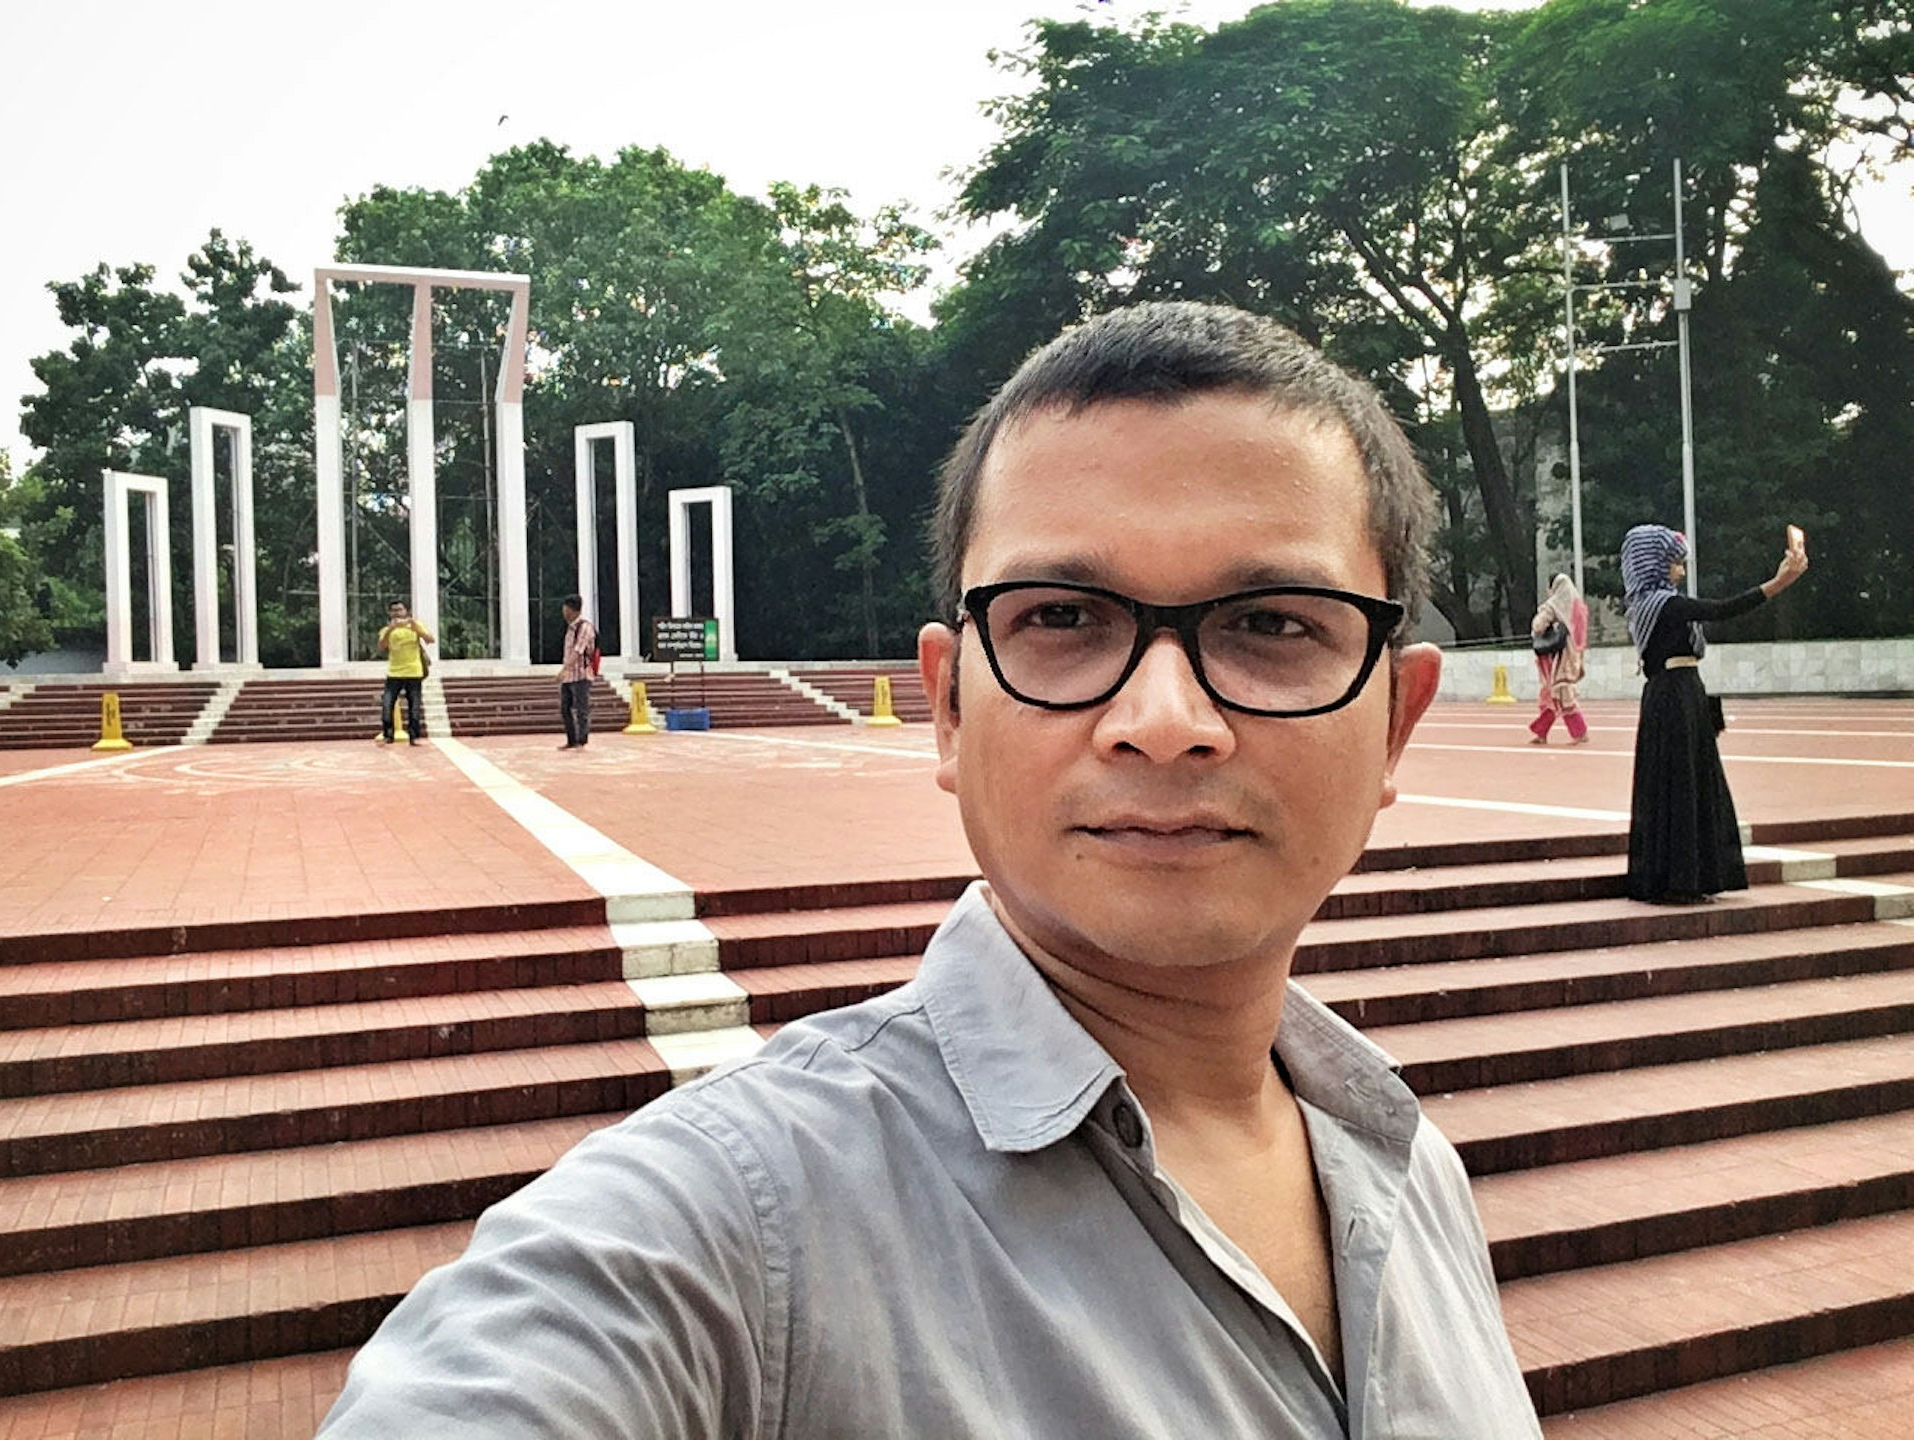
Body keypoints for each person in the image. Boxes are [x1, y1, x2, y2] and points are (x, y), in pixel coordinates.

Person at [316, 303, 1541, 1438]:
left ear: (1396, 722)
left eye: (1274, 623)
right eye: (1063, 618)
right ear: (950, 708)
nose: (1165, 721)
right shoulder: (734, 1228)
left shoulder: (1402, 1161)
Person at [1622, 523, 1808, 903]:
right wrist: (1776, 584)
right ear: (1653, 564)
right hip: (1674, 694)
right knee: (1682, 783)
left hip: (1682, 691)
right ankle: (1680, 878)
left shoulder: (1654, 605)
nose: (1681, 571)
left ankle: (1691, 875)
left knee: (1691, 782)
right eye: (1674, 563)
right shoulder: (1662, 605)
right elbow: (1721, 610)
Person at [1528, 572, 1590, 745]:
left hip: (1558, 657)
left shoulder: (1554, 604)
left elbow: (1538, 626)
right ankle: (1542, 732)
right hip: (1575, 655)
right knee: (1556, 694)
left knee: (1558, 693)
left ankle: (1579, 732)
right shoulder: (1579, 606)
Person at [374, 600, 432, 747]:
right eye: (393, 610)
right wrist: (390, 630)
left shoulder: (415, 625)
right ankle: (388, 734)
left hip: (414, 671)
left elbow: (430, 639)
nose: (397, 613)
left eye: (400, 610)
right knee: (387, 704)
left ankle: (414, 736)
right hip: (394, 673)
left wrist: (416, 628)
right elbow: (381, 647)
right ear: (389, 613)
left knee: (414, 706)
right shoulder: (386, 629)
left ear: (406, 611)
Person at [558, 593, 598, 750]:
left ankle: (582, 740)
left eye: (566, 608)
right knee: (565, 708)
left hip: (581, 674)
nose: (564, 612)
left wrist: (564, 669)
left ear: (572, 610)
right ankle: (571, 739)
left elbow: (578, 650)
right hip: (569, 676)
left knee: (581, 708)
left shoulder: (584, 627)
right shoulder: (570, 629)